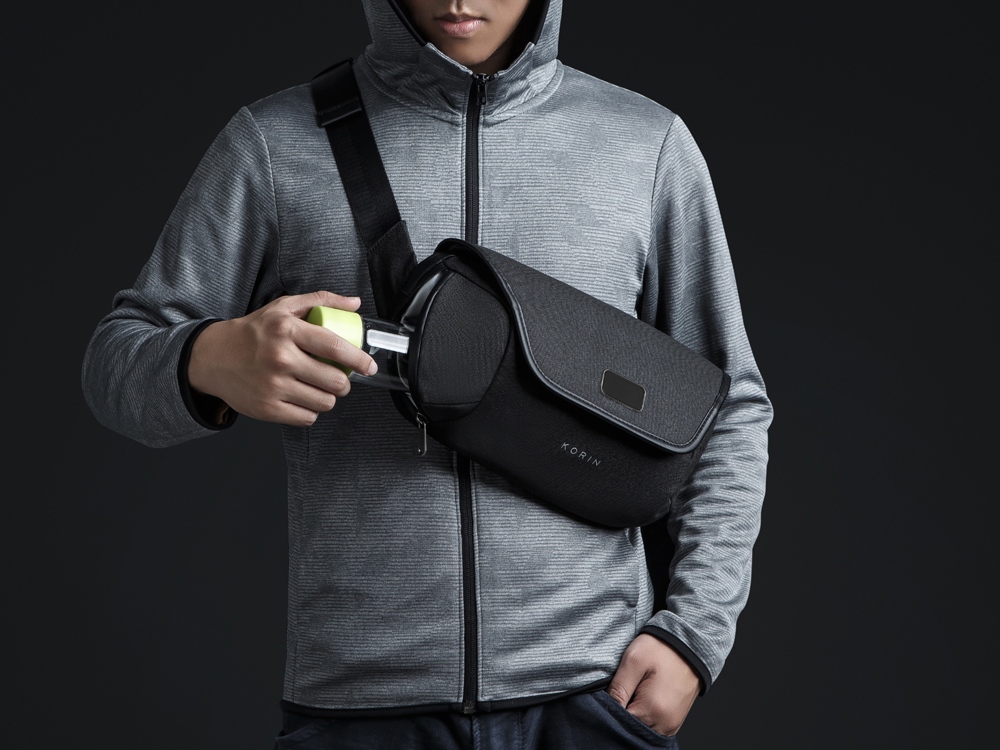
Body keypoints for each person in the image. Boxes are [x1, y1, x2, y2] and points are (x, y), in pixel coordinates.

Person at [81, 1, 773, 747]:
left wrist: (693, 635)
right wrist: (211, 359)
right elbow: (114, 362)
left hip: (593, 699)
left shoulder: (647, 146)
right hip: (357, 710)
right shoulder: (274, 143)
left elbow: (728, 407)